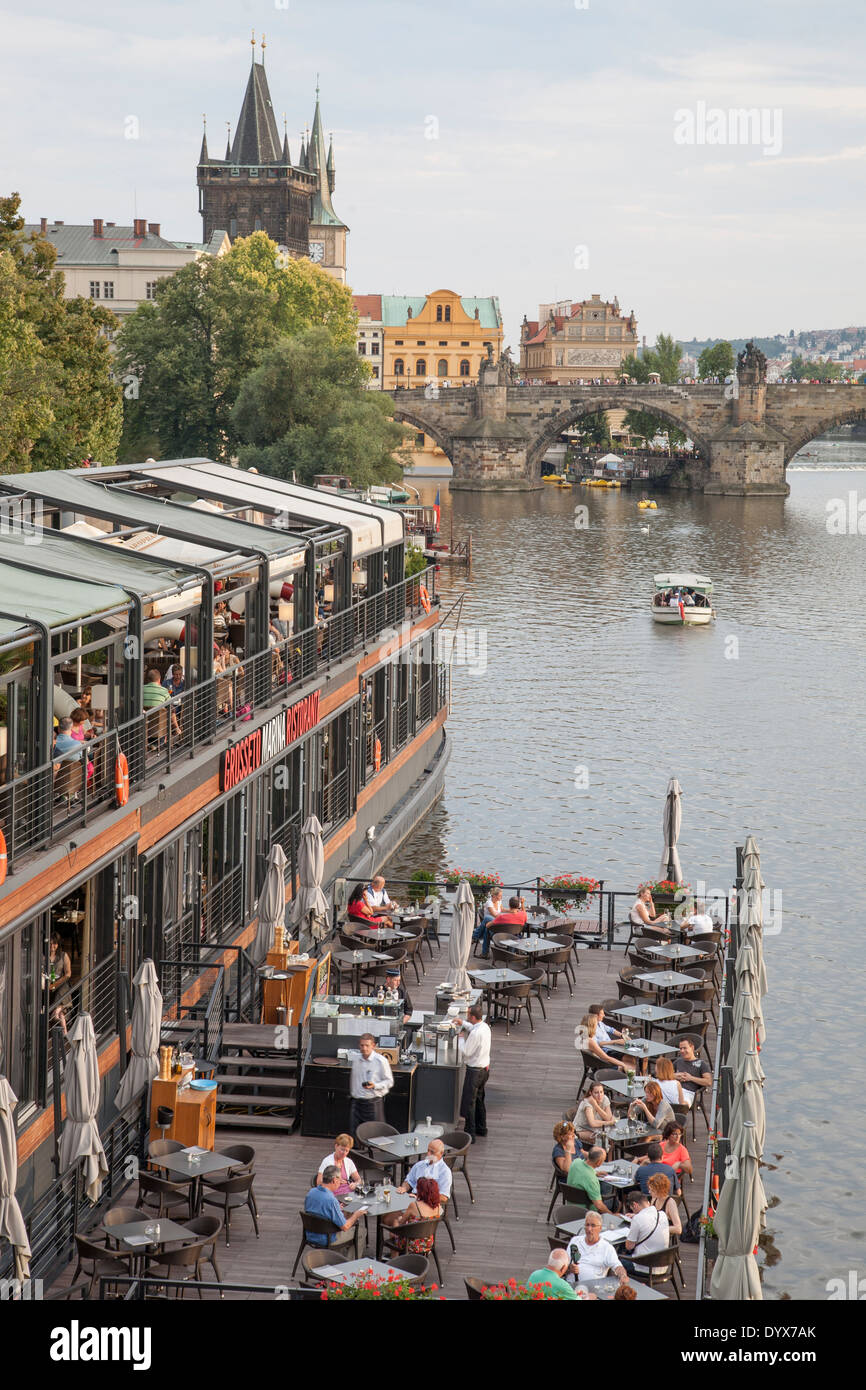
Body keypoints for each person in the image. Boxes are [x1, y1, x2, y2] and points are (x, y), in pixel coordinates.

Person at [303, 1166, 367, 1248]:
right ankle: (348, 1260)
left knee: (346, 1213)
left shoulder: (311, 1193)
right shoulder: (331, 1200)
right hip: (326, 1238)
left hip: (310, 1234)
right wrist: (356, 1215)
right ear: (334, 1180)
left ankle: (338, 1255)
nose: (341, 1182)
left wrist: (336, 1209)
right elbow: (345, 1227)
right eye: (340, 1180)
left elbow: (316, 1210)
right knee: (361, 1232)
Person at [454, 1003, 491, 1140]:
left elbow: (466, 1052)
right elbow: (473, 1027)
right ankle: (482, 1128)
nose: (467, 1016)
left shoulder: (475, 1034)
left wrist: (461, 1039)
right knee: (480, 1100)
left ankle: (470, 1134)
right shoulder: (485, 1027)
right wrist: (462, 1022)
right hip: (485, 1070)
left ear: (473, 1017)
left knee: (470, 1102)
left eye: (468, 1015)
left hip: (474, 1072)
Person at [348, 1033, 393, 1134]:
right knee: (355, 1136)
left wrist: (375, 1086)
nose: (364, 1048)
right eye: (362, 1045)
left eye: (367, 1045)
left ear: (373, 1045)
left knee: (374, 1137)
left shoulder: (381, 1061)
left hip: (372, 1103)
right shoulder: (356, 1059)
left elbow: (389, 1081)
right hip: (356, 1102)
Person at [382, 1176, 441, 1253]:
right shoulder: (438, 1206)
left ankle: (394, 1260)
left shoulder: (414, 1206)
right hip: (428, 1242)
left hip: (411, 1244)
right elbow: (425, 1208)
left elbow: (401, 1223)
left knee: (395, 1222)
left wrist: (398, 1220)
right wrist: (418, 1198)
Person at [566, 1211, 628, 1285]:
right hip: (571, 1285)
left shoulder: (607, 1248)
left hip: (594, 1288)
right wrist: (569, 1268)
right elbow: (563, 1266)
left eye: (593, 1225)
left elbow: (618, 1267)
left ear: (600, 1228)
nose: (589, 1229)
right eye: (587, 1225)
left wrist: (623, 1276)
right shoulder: (575, 1241)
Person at [620, 1191, 670, 1276]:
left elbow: (629, 1246)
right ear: (648, 1202)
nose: (633, 1211)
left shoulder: (637, 1219)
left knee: (614, 1260)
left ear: (635, 1205)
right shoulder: (662, 1214)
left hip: (644, 1267)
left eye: (632, 1208)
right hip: (662, 1266)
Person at [398, 1139, 453, 1206]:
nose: (428, 1154)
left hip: (429, 1204)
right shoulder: (419, 1165)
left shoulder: (445, 1171)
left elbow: (444, 1197)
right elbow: (409, 1181)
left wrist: (422, 1198)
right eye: (428, 1150)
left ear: (441, 1153)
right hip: (412, 1198)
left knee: (395, 1215)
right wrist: (404, 1188)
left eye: (432, 1152)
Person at [566, 1145, 615, 1213]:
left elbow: (583, 1171)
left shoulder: (576, 1162)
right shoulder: (592, 1180)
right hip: (588, 1210)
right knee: (617, 1203)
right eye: (603, 1160)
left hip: (571, 1203)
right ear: (598, 1162)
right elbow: (599, 1206)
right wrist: (612, 1215)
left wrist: (595, 1172)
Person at [647, 1172, 681, 1237]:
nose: (649, 1192)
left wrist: (659, 1229)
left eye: (652, 1190)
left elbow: (678, 1229)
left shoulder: (670, 1203)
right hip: (653, 1232)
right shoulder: (654, 1198)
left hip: (663, 1235)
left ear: (660, 1190)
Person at [474, 885, 503, 958]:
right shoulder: (489, 903)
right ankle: (476, 937)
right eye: (500, 896)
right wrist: (505, 917)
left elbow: (502, 909)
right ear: (494, 896)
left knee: (487, 929)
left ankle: (475, 936)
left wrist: (512, 911)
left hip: (492, 925)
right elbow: (494, 915)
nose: (501, 897)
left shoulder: (499, 902)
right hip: (493, 923)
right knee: (487, 918)